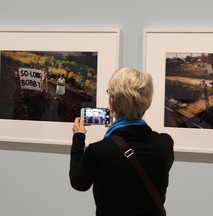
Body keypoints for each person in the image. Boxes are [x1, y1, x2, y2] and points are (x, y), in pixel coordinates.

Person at [69, 67, 174, 216]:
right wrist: (119, 128)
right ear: (148, 102)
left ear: (111, 102)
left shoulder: (99, 151)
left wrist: (78, 137)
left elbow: (79, 183)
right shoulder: (165, 144)